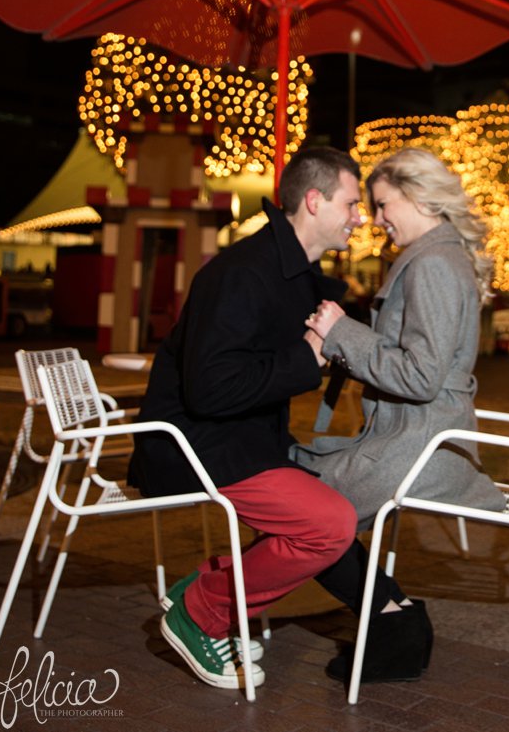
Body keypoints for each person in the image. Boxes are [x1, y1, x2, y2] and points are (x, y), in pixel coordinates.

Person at [128, 146, 428, 691]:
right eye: (352, 203)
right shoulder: (244, 273)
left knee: (335, 501)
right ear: (314, 202)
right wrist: (308, 358)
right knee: (328, 524)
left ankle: (216, 585)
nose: (361, 217)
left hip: (248, 439)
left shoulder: (291, 270)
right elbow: (210, 389)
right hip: (196, 444)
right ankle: (202, 610)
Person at [294, 146, 505, 532]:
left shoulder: (434, 263)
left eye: (382, 205)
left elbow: (421, 377)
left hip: (419, 450)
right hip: (416, 440)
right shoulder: (438, 256)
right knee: (296, 486)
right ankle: (381, 595)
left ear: (418, 196)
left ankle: (208, 593)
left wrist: (341, 331)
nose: (376, 220)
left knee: (293, 498)